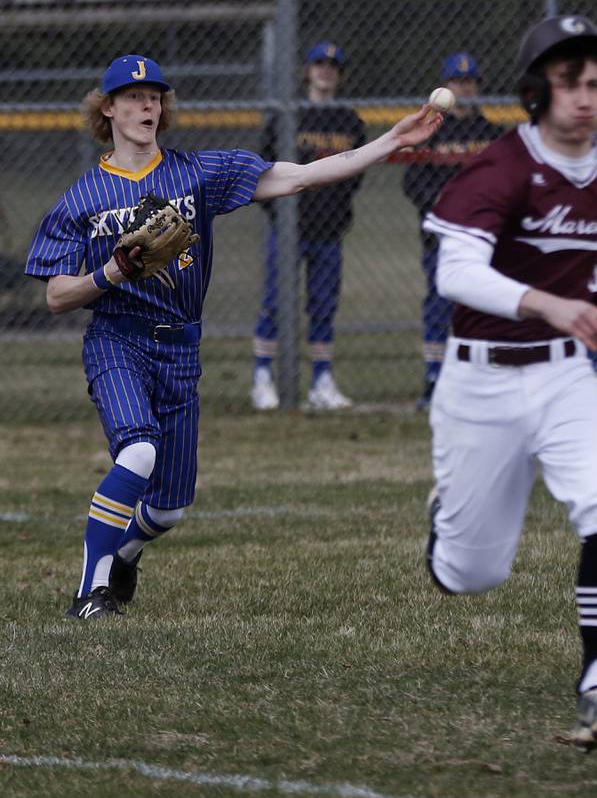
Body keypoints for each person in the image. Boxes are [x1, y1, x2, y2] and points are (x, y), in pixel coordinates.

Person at [24, 54, 442, 620]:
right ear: (108, 109)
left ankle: (123, 555)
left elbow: (300, 175)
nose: (146, 105)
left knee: (168, 510)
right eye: (131, 96)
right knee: (139, 449)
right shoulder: (82, 199)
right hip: (117, 340)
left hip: (180, 348)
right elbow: (55, 296)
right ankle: (90, 592)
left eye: (154, 96)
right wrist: (113, 273)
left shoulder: (197, 173)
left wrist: (391, 140)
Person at [421, 16, 597, 749]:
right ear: (536, 91)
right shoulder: (497, 166)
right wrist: (549, 301)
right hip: (480, 382)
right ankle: (444, 527)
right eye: (567, 83)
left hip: (566, 377)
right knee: (470, 574)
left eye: (594, 84)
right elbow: (454, 272)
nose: (585, 97)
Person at [251, 41, 366, 411]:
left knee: (323, 307)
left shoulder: (350, 121)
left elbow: (355, 176)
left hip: (329, 231)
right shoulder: (288, 116)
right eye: (319, 63)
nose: (326, 70)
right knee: (274, 303)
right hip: (288, 229)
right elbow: (262, 169)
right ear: (307, 70)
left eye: (333, 65)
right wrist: (277, 213)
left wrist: (336, 209)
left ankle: (321, 381)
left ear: (341, 74)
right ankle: (263, 377)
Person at [402, 53, 502, 409]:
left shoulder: (492, 134)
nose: (465, 87)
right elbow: (412, 181)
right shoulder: (432, 133)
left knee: (484, 307)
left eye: (470, 82)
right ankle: (434, 380)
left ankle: (481, 380)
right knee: (439, 307)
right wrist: (442, 204)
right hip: (440, 238)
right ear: (446, 87)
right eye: (457, 82)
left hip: (484, 237)